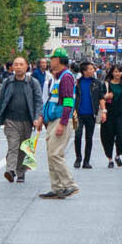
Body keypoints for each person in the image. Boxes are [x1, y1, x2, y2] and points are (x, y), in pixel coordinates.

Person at [0, 56, 43, 183]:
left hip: (27, 120)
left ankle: (20, 172)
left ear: (27, 66)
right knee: (13, 146)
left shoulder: (33, 82)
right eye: (16, 64)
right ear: (12, 67)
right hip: (11, 120)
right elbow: (0, 102)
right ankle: (10, 170)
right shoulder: (7, 82)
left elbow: (38, 101)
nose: (18, 67)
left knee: (23, 147)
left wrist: (37, 117)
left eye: (21, 64)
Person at [40, 50, 78, 199]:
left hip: (61, 119)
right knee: (51, 154)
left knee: (55, 154)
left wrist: (63, 123)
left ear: (59, 60)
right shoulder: (56, 77)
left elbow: (68, 101)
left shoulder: (66, 77)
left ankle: (69, 184)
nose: (50, 61)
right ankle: (57, 187)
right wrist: (42, 117)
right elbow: (50, 99)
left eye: (52, 58)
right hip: (52, 119)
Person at [99, 63, 122, 168]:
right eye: (116, 71)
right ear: (112, 72)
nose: (118, 73)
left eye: (120, 71)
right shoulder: (107, 84)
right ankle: (110, 159)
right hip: (109, 114)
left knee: (121, 135)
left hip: (121, 113)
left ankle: (117, 155)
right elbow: (101, 97)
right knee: (108, 136)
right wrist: (107, 96)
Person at [73, 60, 100, 169]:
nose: (93, 70)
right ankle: (78, 158)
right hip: (78, 114)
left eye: (93, 69)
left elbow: (101, 97)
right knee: (77, 136)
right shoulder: (77, 83)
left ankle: (86, 161)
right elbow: (72, 97)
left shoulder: (97, 83)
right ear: (84, 71)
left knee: (89, 138)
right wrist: (71, 110)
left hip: (91, 114)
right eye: (91, 69)